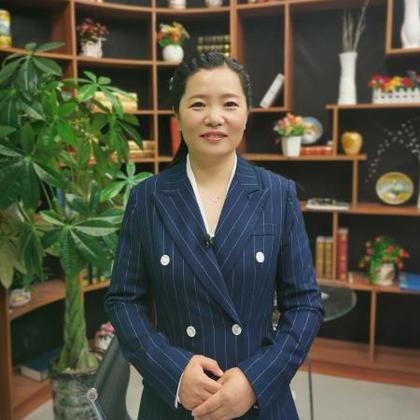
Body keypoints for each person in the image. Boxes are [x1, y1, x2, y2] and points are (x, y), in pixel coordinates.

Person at [105, 52, 324, 419]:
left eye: (229, 104)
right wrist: (174, 373)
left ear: (246, 113)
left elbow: (305, 304)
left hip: (259, 399)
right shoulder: (147, 198)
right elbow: (124, 300)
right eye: (198, 104)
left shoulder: (278, 194)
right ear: (177, 115)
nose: (214, 117)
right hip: (174, 401)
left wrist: (255, 381)